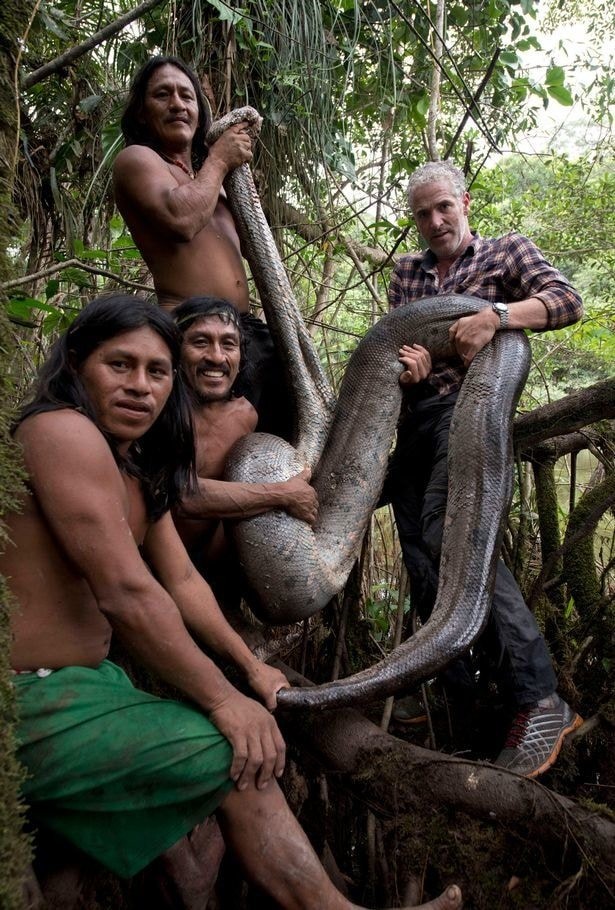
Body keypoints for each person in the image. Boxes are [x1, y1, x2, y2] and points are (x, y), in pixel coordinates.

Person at [5, 294, 461, 910]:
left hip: (91, 685)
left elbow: (182, 584)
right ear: (79, 363)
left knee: (249, 757)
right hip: (27, 695)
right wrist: (223, 700)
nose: (141, 386)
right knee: (234, 752)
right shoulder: (60, 431)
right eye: (121, 366)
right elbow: (126, 591)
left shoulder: (134, 467)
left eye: (156, 371)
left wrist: (250, 671)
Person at [387, 160, 583, 778]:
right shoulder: (407, 274)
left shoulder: (504, 253)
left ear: (464, 201)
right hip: (415, 421)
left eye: (444, 207)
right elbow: (395, 344)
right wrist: (410, 364)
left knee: (456, 538)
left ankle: (538, 696)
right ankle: (460, 693)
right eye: (423, 213)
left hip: (470, 413)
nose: (436, 221)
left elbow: (566, 301)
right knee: (418, 553)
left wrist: (495, 316)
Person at [112, 54, 290, 436]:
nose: (177, 104)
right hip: (191, 329)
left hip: (244, 333)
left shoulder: (211, 182)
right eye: (163, 95)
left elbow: (254, 248)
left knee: (280, 439)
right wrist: (220, 159)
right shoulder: (138, 160)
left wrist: (236, 182)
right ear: (142, 112)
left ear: (199, 111)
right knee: (213, 450)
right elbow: (181, 219)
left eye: (187, 96)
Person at [172, 295, 317, 610]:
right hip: (158, 569)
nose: (216, 356)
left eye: (228, 344)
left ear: (241, 356)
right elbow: (181, 494)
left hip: (219, 573)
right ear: (176, 350)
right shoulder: (161, 409)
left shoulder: (247, 414)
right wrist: (282, 494)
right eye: (200, 342)